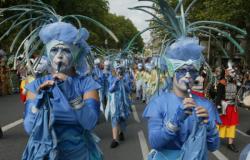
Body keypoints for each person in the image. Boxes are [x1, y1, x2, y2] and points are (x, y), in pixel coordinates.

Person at [23, 22, 103, 159]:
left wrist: (72, 95)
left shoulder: (87, 84)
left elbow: (90, 123)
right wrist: (38, 103)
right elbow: (29, 128)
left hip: (79, 154)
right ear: (48, 53)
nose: (59, 56)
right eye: (55, 50)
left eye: (65, 50)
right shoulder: (37, 85)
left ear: (76, 54)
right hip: (45, 155)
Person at [143, 38, 220, 159]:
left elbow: (213, 147)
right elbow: (155, 143)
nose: (188, 75)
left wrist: (209, 126)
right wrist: (176, 121)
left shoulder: (205, 105)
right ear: (171, 72)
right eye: (182, 70)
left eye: (192, 71)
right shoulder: (158, 103)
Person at [105, 65, 131, 148]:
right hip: (114, 104)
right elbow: (110, 90)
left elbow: (128, 90)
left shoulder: (124, 79)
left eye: (120, 71)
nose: (119, 72)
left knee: (121, 119)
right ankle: (115, 140)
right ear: (115, 71)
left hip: (123, 104)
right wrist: (116, 80)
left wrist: (123, 81)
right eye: (118, 70)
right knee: (115, 120)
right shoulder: (112, 79)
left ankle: (120, 133)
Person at [215, 66, 239, 153]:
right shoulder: (222, 83)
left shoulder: (235, 82)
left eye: (234, 72)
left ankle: (230, 143)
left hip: (233, 107)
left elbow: (235, 94)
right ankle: (214, 140)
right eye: (231, 72)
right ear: (226, 73)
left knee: (232, 125)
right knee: (219, 124)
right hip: (224, 107)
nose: (233, 74)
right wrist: (217, 106)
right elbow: (218, 96)